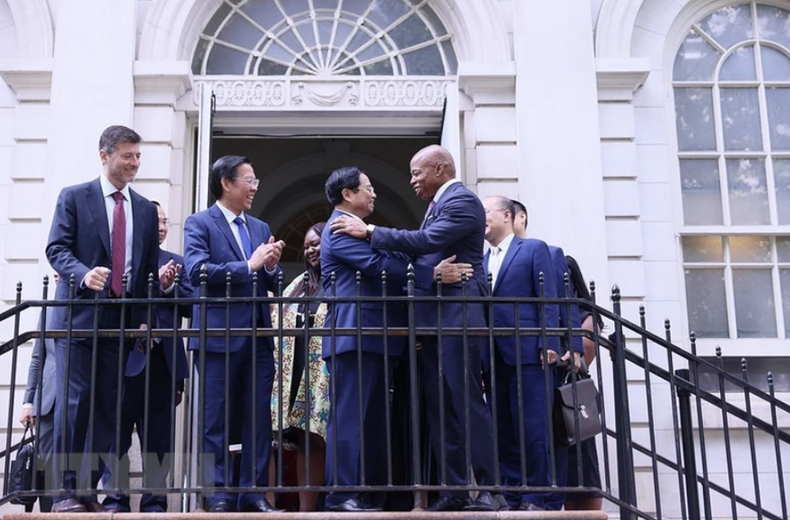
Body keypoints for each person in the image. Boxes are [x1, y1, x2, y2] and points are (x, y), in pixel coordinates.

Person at [330, 146, 505, 512]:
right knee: (441, 410)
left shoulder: (461, 201)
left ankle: (490, 489)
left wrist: (372, 231)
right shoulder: (433, 205)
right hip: (432, 322)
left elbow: (425, 244)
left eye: (416, 173)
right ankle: (455, 490)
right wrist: (428, 275)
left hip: (457, 318)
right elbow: (416, 258)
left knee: (467, 404)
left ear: (439, 169)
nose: (411, 181)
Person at [45, 125, 173, 514]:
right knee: (75, 405)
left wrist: (147, 315)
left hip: (123, 324)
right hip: (82, 320)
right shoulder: (74, 197)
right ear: (105, 156)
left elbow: (148, 270)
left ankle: (87, 491)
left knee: (107, 411)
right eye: (127, 156)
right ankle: (62, 491)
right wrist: (83, 274)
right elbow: (56, 247)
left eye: (138, 156)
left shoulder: (145, 210)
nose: (134, 163)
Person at [183, 155, 285, 513]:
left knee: (259, 419)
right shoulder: (199, 223)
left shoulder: (259, 227)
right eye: (249, 180)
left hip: (257, 337)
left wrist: (270, 267)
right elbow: (195, 272)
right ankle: (218, 494)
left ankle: (254, 493)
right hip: (216, 337)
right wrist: (249, 265)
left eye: (255, 180)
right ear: (226, 183)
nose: (255, 187)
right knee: (214, 421)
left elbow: (270, 280)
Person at [102, 201, 193, 512]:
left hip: (163, 365)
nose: (162, 227)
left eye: (165, 221)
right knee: (117, 437)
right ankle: (116, 499)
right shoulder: (121, 260)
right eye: (156, 221)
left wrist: (168, 288)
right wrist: (150, 279)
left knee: (159, 441)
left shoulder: (177, 262)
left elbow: (191, 307)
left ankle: (155, 503)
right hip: (124, 362)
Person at [482, 195, 559, 511]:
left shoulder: (533, 249)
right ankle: (513, 494)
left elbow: (547, 298)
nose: (481, 217)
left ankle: (535, 496)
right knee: (504, 429)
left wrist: (549, 343)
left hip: (529, 352)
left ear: (505, 215)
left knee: (533, 428)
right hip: (494, 356)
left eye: (485, 212)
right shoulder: (481, 259)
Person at [510, 198, 583, 510]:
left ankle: (550, 497)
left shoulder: (549, 252)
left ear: (519, 217)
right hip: (512, 356)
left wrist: (574, 347)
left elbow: (565, 302)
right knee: (516, 428)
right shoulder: (489, 258)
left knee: (551, 429)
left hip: (549, 357)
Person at [269, 221, 329, 512]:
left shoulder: (339, 280)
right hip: (293, 372)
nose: (310, 250)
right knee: (292, 439)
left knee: (318, 439)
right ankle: (288, 508)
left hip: (325, 373)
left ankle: (317, 508)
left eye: (316, 243)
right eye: (306, 246)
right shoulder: (298, 284)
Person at [563, 255, 604, 511]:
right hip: (555, 396)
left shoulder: (584, 313)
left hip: (573, 396)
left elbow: (583, 357)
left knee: (581, 462)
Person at [19, 275, 60, 513]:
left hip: (78, 398)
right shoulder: (48, 309)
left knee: (76, 466)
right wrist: (28, 401)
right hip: (47, 402)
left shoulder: (89, 308)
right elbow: (38, 358)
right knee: (46, 468)